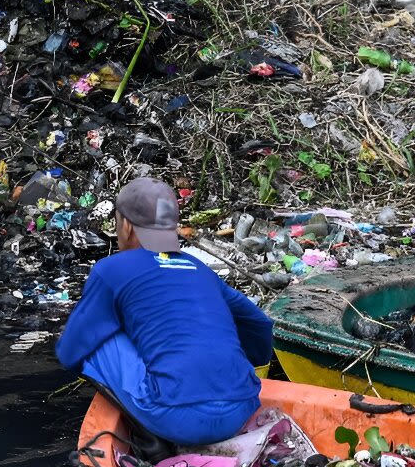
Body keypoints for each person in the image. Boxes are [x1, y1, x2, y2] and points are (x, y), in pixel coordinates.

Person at [56, 177, 273, 446]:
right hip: (242, 408)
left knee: (98, 339)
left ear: (125, 225)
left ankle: (149, 437)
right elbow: (259, 324)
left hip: (175, 419)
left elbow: (69, 353)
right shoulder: (199, 268)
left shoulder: (111, 269)